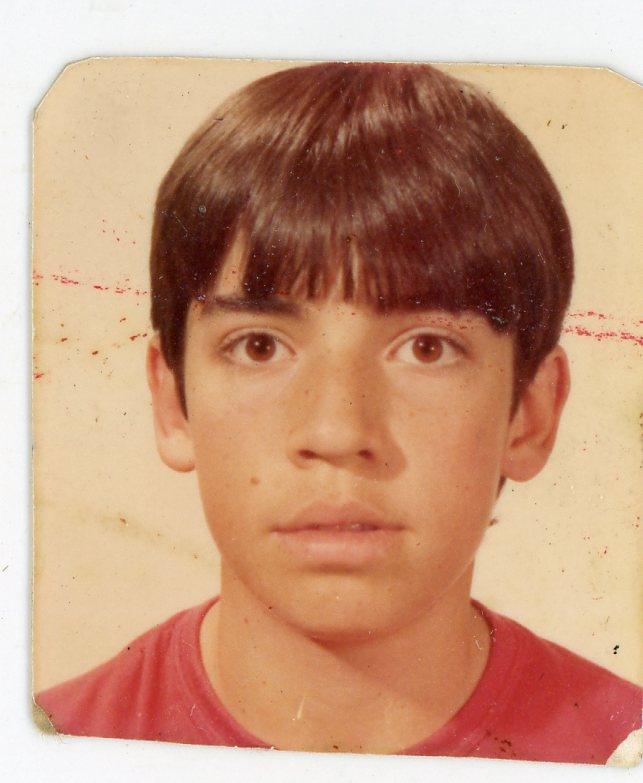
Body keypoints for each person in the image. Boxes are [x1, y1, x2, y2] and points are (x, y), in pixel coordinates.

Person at [35, 61, 642, 765]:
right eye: (259, 346)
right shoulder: (49, 748)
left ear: (530, 414)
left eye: (426, 348)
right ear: (173, 402)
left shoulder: (621, 751)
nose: (337, 432)